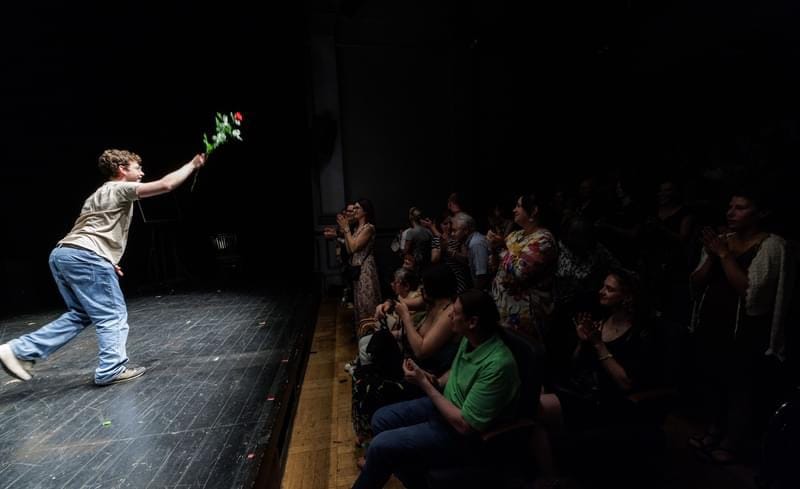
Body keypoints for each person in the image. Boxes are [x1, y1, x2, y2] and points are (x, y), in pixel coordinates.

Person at [0, 149, 206, 386]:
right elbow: (166, 185)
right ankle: (111, 368)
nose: (142, 172)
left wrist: (106, 261)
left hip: (64, 254)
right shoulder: (119, 188)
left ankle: (19, 351)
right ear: (122, 170)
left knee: (80, 314)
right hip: (86, 257)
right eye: (137, 168)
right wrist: (192, 164)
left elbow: (95, 227)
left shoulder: (96, 195)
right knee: (112, 315)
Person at [352, 289, 520, 489]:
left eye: (455, 313)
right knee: (381, 419)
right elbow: (456, 370)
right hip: (444, 408)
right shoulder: (472, 339)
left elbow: (466, 425)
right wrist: (435, 381)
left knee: (381, 447)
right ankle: (416, 479)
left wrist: (425, 385)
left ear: (472, 322)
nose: (450, 315)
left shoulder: (498, 365)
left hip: (460, 433)